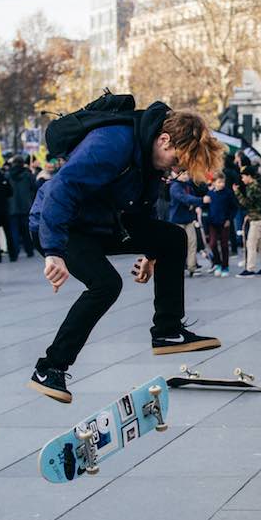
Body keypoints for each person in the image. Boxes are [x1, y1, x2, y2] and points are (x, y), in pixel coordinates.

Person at [27, 102, 223, 403]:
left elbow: (141, 211)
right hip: (60, 223)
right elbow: (60, 190)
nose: (175, 170)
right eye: (176, 161)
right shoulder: (112, 142)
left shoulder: (149, 159)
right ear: (164, 139)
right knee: (106, 284)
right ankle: (50, 367)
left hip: (102, 223)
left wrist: (151, 252)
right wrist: (53, 251)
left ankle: (167, 331)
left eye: (180, 168)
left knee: (172, 238)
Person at [167, 169, 209, 276]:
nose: (186, 176)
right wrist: (200, 201)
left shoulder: (188, 186)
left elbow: (192, 197)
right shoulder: (175, 187)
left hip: (189, 219)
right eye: (183, 174)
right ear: (176, 175)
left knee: (192, 244)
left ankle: (192, 267)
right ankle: (177, 267)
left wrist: (196, 205)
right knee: (178, 246)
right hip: (177, 221)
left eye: (187, 174)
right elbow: (185, 198)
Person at [233, 164, 261, 277]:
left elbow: (247, 203)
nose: (242, 179)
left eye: (243, 177)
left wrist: (237, 193)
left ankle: (250, 269)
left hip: (256, 220)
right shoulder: (258, 184)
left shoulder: (252, 187)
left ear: (249, 176)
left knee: (251, 244)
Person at [205, 171, 237, 277]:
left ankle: (225, 266)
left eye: (223, 182)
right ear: (213, 183)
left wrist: (229, 219)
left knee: (224, 245)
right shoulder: (210, 193)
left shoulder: (228, 193)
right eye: (219, 182)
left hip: (224, 222)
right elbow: (206, 206)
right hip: (212, 222)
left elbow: (234, 207)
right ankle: (217, 263)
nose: (221, 184)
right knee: (212, 244)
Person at [7, 155, 37, 261]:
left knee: (14, 231)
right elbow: (34, 189)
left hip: (12, 207)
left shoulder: (8, 175)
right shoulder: (28, 175)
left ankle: (15, 253)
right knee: (26, 231)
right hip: (26, 206)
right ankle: (29, 250)